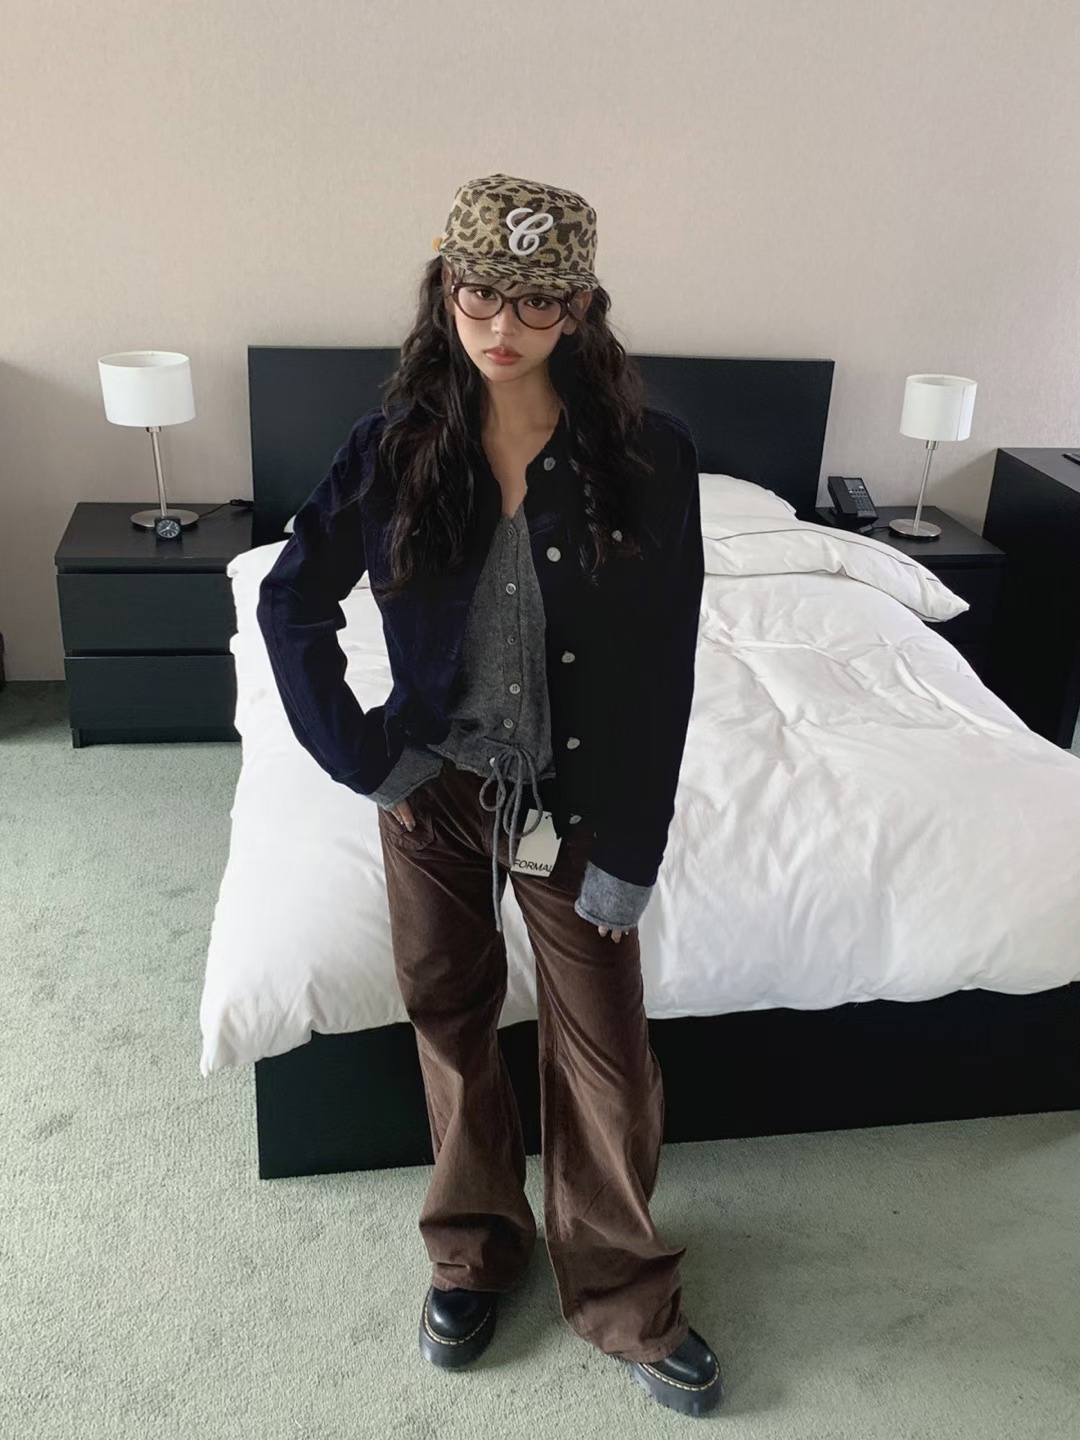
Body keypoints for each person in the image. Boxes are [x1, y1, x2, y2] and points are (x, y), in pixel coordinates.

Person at [256, 173, 721, 1418]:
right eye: (477, 294)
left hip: (578, 805)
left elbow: (664, 665)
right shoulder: (395, 446)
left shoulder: (652, 458)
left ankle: (621, 1291)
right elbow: (288, 598)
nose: (500, 325)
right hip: (433, 797)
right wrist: (364, 757)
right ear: (443, 290)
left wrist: (633, 845)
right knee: (451, 1021)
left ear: (581, 308)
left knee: (607, 1057)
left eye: (533, 301)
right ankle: (472, 1251)